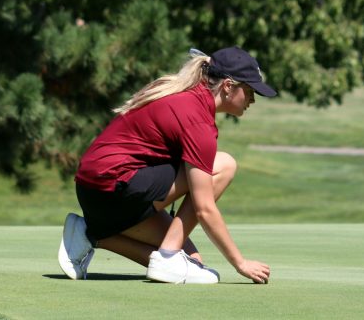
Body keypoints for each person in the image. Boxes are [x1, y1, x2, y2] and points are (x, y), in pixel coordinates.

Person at [58, 46, 276, 284]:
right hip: (115, 188)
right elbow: (204, 207)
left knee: (194, 263)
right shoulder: (197, 119)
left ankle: (92, 235)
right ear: (227, 86)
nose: (253, 99)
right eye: (249, 90)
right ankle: (168, 255)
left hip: (94, 192)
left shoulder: (184, 95)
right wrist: (240, 263)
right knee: (224, 165)